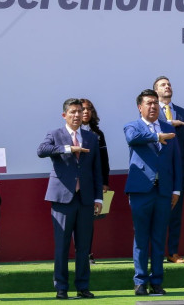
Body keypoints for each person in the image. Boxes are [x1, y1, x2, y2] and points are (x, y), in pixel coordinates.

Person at [37, 98, 103, 299]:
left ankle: (83, 286)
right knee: (62, 245)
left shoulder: (91, 137)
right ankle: (61, 287)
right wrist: (68, 149)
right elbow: (41, 150)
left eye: (79, 111)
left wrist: (98, 198)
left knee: (83, 246)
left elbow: (96, 170)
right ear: (64, 115)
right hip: (62, 198)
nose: (77, 115)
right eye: (73, 112)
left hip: (85, 199)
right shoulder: (55, 134)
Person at [124, 89, 182, 296]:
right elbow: (133, 139)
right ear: (140, 107)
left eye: (156, 103)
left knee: (159, 237)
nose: (153, 106)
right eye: (149, 103)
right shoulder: (133, 126)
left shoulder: (169, 127)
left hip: (164, 191)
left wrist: (176, 189)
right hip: (141, 190)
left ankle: (157, 281)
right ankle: (140, 281)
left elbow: (176, 160)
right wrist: (157, 136)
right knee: (141, 237)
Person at [154, 76, 184, 264]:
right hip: (159, 171)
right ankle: (155, 252)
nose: (167, 86)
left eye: (169, 84)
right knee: (158, 213)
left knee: (175, 213)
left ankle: (173, 251)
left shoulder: (182, 112)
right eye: (163, 85)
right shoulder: (152, 111)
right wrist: (172, 124)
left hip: (179, 170)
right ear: (156, 91)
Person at [80, 98, 110, 265]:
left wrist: (105, 181)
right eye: (82, 109)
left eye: (89, 109)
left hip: (93, 182)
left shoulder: (98, 135)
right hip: (76, 183)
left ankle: (88, 252)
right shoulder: (70, 132)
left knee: (89, 219)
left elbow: (104, 160)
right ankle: (80, 252)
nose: (85, 112)